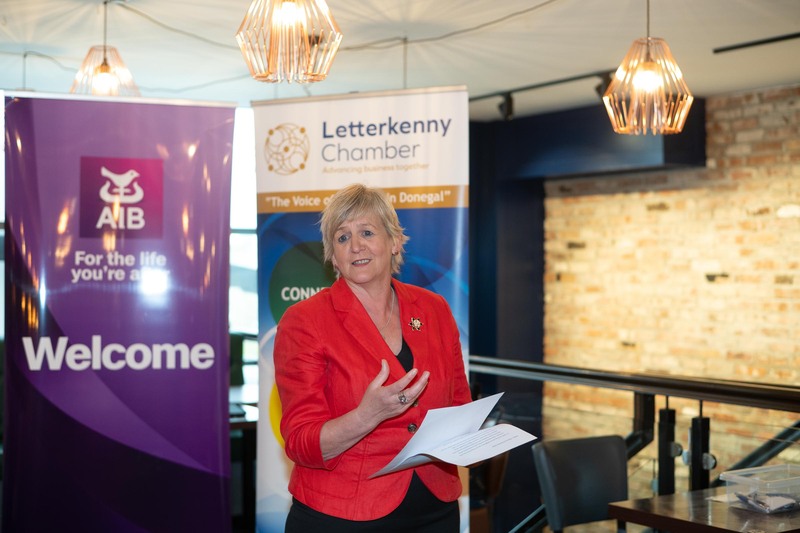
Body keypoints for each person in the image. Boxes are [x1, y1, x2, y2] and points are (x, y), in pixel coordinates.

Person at [274, 183, 472, 532]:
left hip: (435, 510)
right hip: (342, 515)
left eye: (367, 232)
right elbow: (301, 443)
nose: (356, 246)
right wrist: (367, 415)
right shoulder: (304, 321)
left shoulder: (435, 309)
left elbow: (459, 406)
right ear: (333, 256)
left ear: (394, 242)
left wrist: (477, 441)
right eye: (342, 237)